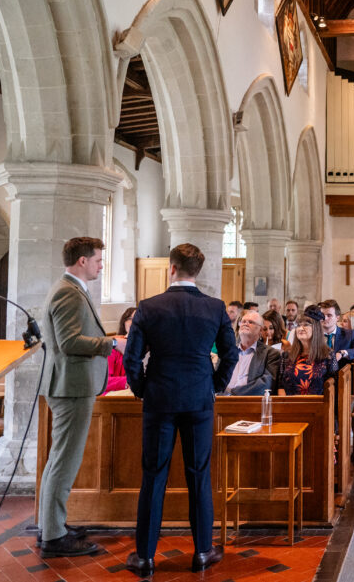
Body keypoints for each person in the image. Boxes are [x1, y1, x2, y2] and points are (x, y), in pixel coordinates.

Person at [123, 243, 237, 575]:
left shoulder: (149, 306)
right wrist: (214, 385)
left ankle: (144, 557)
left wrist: (143, 388)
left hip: (160, 398)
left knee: (153, 476)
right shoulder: (214, 308)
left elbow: (132, 359)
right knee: (199, 475)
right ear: (197, 271)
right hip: (199, 399)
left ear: (171, 268)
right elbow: (230, 355)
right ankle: (202, 551)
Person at [38, 237, 123, 558]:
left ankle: (52, 525)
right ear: (83, 261)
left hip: (72, 384)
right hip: (71, 386)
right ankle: (54, 536)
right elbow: (70, 341)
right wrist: (111, 345)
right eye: (99, 260)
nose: (101, 265)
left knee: (60, 459)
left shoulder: (70, 289)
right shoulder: (67, 292)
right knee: (64, 460)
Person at [223, 310, 282, 395]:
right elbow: (217, 378)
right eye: (243, 321)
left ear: (260, 330)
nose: (245, 324)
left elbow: (266, 383)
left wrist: (232, 394)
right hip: (221, 400)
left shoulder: (270, 353)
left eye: (250, 322)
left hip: (250, 402)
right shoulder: (228, 350)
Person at [278, 316, 338, 396]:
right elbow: (281, 385)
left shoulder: (327, 355)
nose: (301, 328)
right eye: (298, 325)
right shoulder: (287, 355)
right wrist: (284, 404)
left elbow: (333, 387)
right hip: (290, 404)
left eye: (306, 325)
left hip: (319, 405)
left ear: (316, 329)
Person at [318, 300, 354, 364]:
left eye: (329, 315)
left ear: (337, 318)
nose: (324, 318)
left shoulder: (349, 334)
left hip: (340, 372)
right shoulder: (313, 335)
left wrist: (343, 353)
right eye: (322, 315)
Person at [105, 307, 136, 394]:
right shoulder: (113, 346)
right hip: (114, 393)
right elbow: (103, 381)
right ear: (124, 323)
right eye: (131, 319)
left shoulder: (150, 346)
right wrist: (128, 382)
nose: (135, 322)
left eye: (139, 319)